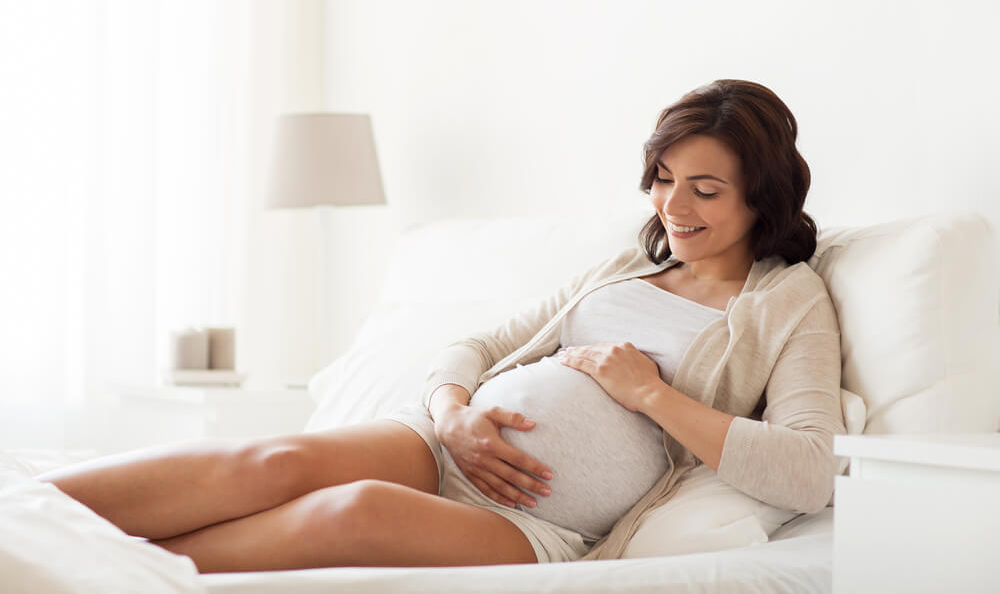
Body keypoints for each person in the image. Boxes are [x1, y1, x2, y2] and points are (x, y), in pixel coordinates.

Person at [39, 79, 846, 572]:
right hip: (444, 449)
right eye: (664, 180)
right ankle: (27, 516)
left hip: (537, 521)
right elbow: (479, 346)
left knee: (351, 511)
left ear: (761, 196)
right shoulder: (622, 267)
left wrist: (652, 397)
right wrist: (452, 412)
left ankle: (80, 567)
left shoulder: (788, 301)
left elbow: (809, 470)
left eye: (705, 189)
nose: (673, 205)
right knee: (271, 457)